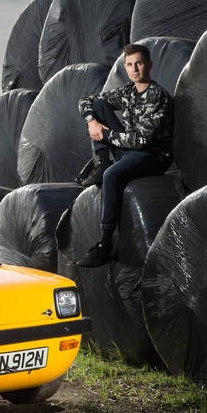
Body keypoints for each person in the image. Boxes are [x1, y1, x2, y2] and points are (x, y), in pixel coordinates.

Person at [76, 43, 173, 268]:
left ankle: (105, 244)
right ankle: (103, 163)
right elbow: (86, 101)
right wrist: (91, 121)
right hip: (129, 151)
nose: (134, 69)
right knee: (99, 104)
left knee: (111, 176)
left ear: (149, 65)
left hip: (152, 156)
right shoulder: (128, 91)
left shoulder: (158, 96)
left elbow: (141, 141)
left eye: (138, 63)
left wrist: (105, 134)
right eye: (129, 65)